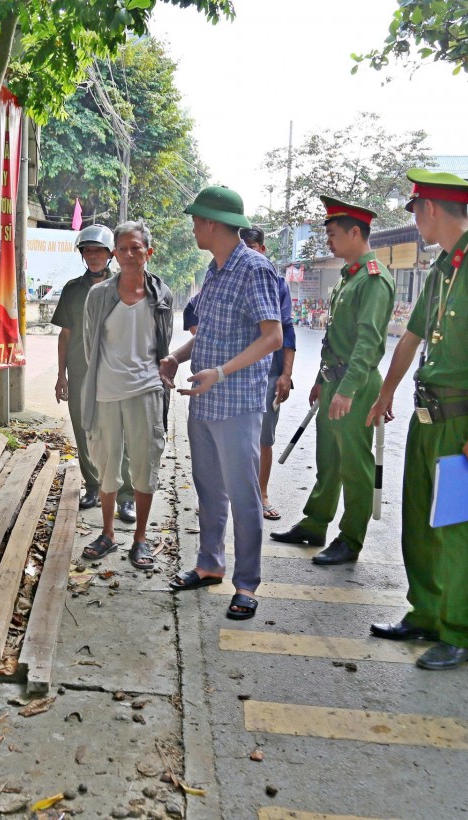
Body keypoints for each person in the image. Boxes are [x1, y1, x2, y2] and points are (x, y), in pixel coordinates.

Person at [365, 169, 468, 671]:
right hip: (426, 416)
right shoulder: (442, 269)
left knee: (460, 530)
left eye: (415, 212)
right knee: (420, 524)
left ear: (429, 209)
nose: (415, 222)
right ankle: (426, 614)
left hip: (464, 418)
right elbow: (410, 338)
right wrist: (386, 391)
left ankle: (460, 633)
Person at [160, 187, 282, 621]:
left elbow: (273, 337)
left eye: (197, 220)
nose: (193, 227)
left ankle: (246, 584)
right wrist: (177, 357)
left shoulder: (255, 269)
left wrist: (223, 372)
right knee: (209, 489)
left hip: (237, 403)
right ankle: (209, 564)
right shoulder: (214, 271)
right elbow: (209, 334)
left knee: (244, 496)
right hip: (204, 402)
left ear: (212, 223)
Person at [272, 197, 394, 565]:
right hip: (334, 383)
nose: (329, 241)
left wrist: (347, 389)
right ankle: (315, 524)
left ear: (355, 233)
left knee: (354, 465)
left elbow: (368, 343)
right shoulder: (350, 275)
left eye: (333, 234)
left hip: (355, 386)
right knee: (328, 459)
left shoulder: (373, 279)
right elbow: (335, 338)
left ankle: (350, 539)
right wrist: (321, 379)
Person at [80, 221, 173, 569]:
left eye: (136, 247)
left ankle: (141, 539)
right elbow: (90, 346)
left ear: (149, 252)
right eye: (123, 249)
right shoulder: (99, 295)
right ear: (115, 255)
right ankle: (107, 534)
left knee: (145, 465)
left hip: (147, 391)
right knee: (107, 466)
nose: (130, 254)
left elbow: (163, 344)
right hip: (106, 392)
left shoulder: (161, 295)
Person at [53, 225, 135, 519]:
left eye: (98, 251)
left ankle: (126, 496)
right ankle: (93, 486)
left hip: (116, 374)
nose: (93, 256)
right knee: (84, 430)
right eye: (87, 251)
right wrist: (61, 375)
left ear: (110, 254)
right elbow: (65, 334)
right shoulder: (72, 290)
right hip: (80, 372)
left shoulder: (125, 287)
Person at [239, 227, 296, 521]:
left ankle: (261, 494)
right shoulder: (227, 276)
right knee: (229, 436)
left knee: (264, 438)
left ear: (262, 249)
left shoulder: (277, 284)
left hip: (268, 373)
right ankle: (224, 496)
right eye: (241, 246)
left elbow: (286, 330)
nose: (246, 252)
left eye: (251, 246)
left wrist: (285, 375)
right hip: (233, 373)